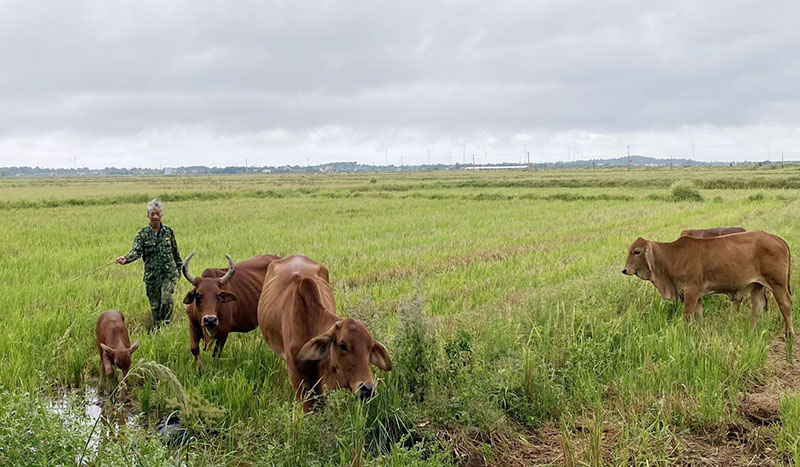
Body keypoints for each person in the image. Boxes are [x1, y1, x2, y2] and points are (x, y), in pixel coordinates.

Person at [116, 199, 182, 328]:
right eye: (152, 214)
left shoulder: (168, 232)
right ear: (148, 215)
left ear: (161, 215)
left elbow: (175, 251)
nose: (155, 217)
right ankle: (158, 328)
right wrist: (126, 258)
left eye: (157, 213)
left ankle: (167, 326)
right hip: (152, 276)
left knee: (166, 299)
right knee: (155, 305)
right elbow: (136, 251)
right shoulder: (142, 234)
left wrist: (180, 268)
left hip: (168, 273)